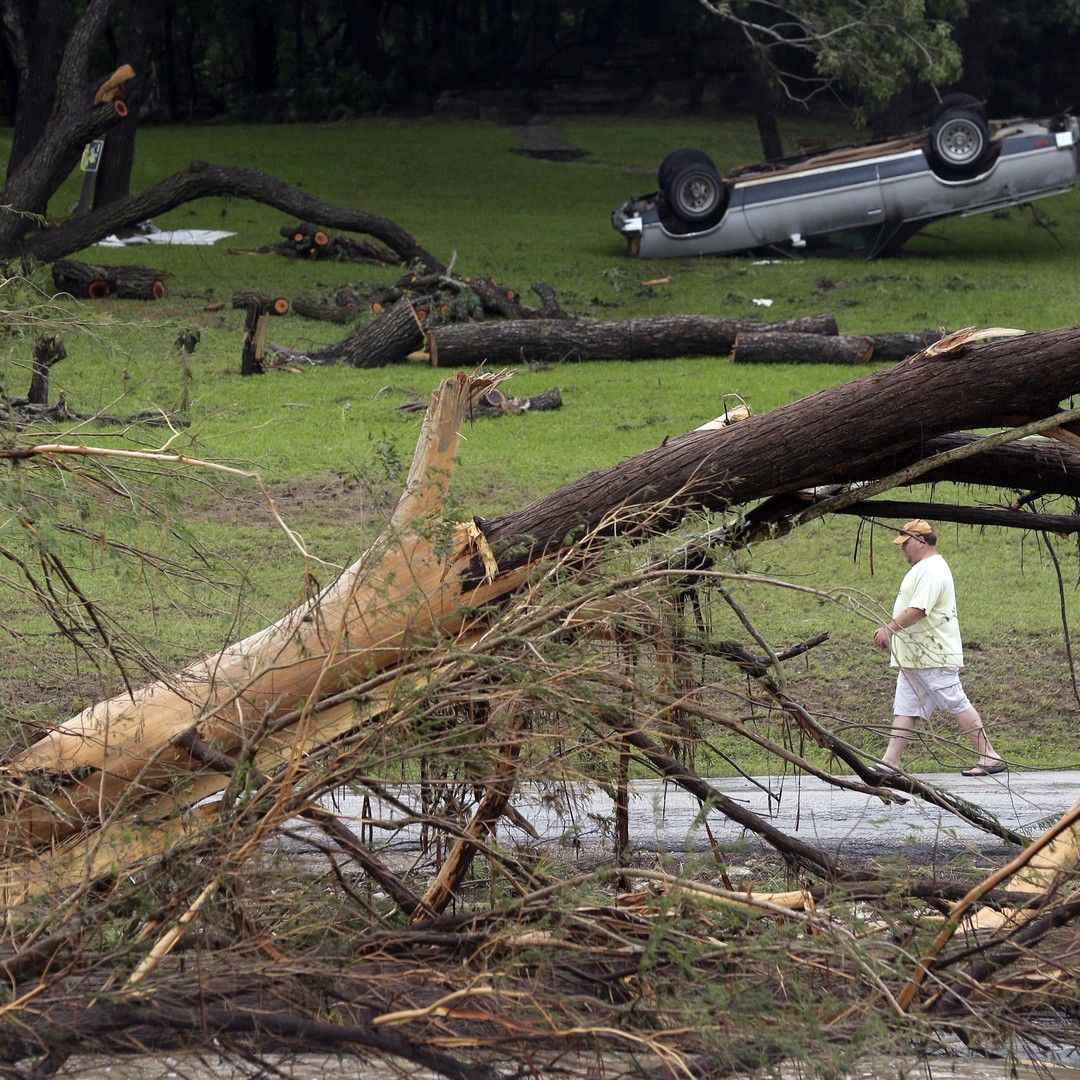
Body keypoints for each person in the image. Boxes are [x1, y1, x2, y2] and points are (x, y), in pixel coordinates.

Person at [870, 519, 1006, 778]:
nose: (903, 549)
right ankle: (889, 763)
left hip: (933, 654)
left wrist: (889, 629)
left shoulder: (932, 569)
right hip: (916, 656)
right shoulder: (925, 568)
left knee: (956, 702)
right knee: (906, 708)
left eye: (906, 543)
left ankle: (989, 756)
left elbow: (919, 610)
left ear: (921, 541)